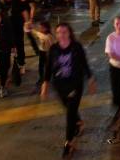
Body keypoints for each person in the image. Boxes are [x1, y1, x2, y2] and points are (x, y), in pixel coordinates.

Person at [41, 23, 96, 158]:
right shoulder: (53, 48)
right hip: (59, 85)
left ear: (69, 33)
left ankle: (69, 142)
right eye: (59, 32)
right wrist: (45, 84)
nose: (61, 34)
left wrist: (90, 78)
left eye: (64, 32)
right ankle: (79, 121)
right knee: (69, 108)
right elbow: (48, 67)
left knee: (70, 114)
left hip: (75, 84)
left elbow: (84, 63)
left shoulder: (76, 47)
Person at [11, 0, 35, 72]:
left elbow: (32, 7)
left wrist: (30, 19)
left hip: (25, 21)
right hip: (15, 23)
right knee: (15, 44)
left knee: (27, 37)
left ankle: (36, 49)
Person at [26, 20, 53, 89]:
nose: (40, 29)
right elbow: (35, 32)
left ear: (46, 28)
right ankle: (41, 78)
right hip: (41, 52)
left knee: (47, 66)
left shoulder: (49, 36)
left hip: (47, 52)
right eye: (40, 27)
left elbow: (52, 45)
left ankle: (48, 78)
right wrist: (29, 27)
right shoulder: (40, 33)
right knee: (41, 66)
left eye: (42, 28)